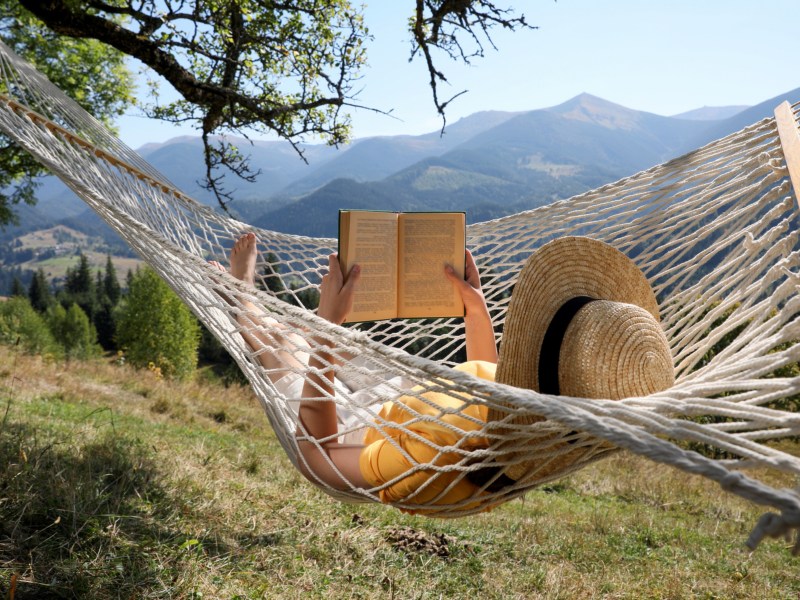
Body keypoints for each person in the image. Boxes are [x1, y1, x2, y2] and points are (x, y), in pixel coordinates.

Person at [215, 233, 675, 513]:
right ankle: (258, 308)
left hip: (357, 430)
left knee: (285, 347)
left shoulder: (435, 462)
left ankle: (243, 300)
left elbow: (321, 459)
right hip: (413, 393)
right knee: (297, 335)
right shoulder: (536, 423)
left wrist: (328, 328)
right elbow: (488, 382)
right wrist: (476, 308)